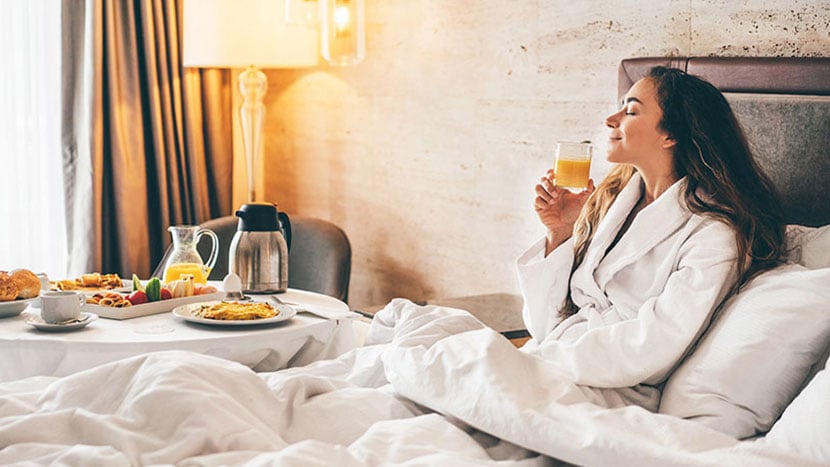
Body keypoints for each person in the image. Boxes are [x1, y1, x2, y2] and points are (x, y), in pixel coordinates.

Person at [516, 66, 785, 401]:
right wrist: (560, 233)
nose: (610, 120)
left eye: (630, 111)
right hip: (555, 360)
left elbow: (654, 348)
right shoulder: (614, 202)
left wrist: (543, 361)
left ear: (669, 134)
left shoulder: (713, 234)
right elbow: (545, 325)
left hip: (608, 387)